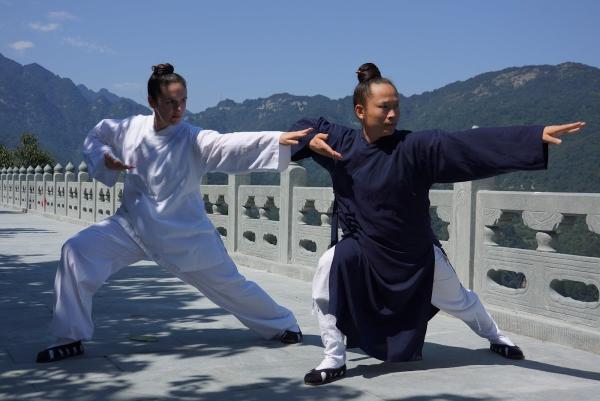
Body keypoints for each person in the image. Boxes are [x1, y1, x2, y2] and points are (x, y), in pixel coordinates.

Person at [289, 63, 586, 385]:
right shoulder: (340, 144)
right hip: (362, 246)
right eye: (383, 107)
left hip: (412, 251)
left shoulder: (415, 148)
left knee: (458, 300)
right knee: (326, 276)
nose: (392, 115)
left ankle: (496, 335)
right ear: (360, 111)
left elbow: (468, 144)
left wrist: (531, 138)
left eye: (396, 107)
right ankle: (333, 357)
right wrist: (309, 143)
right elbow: (303, 127)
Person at [36, 63, 311, 363]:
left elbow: (227, 144)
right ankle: (70, 335)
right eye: (170, 102)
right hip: (132, 226)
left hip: (185, 234)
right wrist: (106, 158)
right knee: (76, 250)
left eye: (183, 101)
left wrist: (276, 140)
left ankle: (282, 324)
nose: (179, 108)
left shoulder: (192, 138)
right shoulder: (130, 128)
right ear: (152, 101)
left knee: (230, 286)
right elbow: (97, 136)